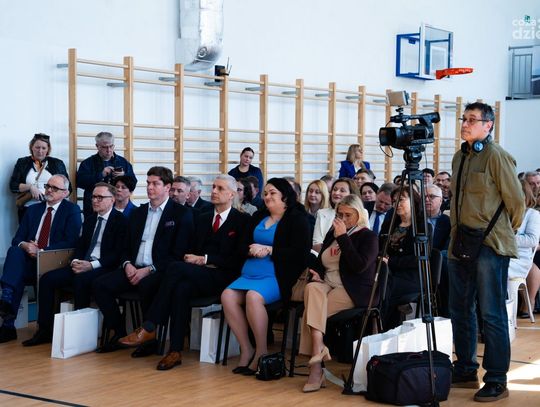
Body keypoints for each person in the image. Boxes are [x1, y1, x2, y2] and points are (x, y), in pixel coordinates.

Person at [118, 175, 250, 369]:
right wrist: (194, 259)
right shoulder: (203, 217)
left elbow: (238, 259)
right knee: (180, 289)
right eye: (213, 187)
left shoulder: (242, 220)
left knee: (174, 268)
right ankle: (175, 351)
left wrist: (205, 259)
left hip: (224, 276)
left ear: (231, 194)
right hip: (198, 273)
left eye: (220, 188)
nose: (214, 191)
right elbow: (191, 248)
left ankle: (150, 325)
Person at [448, 102, 524, 402]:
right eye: (464, 119)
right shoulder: (459, 157)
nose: (465, 124)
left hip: (490, 245)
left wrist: (501, 232)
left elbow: (516, 203)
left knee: (491, 314)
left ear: (488, 125)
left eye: (472, 120)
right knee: (459, 309)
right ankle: (466, 368)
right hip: (460, 243)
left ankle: (496, 379)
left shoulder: (497, 156)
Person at [92, 166, 194, 352]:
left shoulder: (180, 214)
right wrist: (127, 264)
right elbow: (125, 247)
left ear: (167, 187)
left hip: (160, 270)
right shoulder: (137, 213)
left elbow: (178, 254)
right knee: (100, 285)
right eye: (148, 183)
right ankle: (119, 333)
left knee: (147, 284)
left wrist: (149, 270)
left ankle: (149, 340)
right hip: (134, 268)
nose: (149, 187)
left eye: (155, 184)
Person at [221, 178, 311, 375]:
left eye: (272, 193)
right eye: (266, 193)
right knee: (227, 295)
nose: (267, 196)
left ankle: (261, 352)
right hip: (250, 272)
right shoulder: (258, 216)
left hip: (277, 275)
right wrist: (251, 250)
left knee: (253, 296)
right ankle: (246, 348)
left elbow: (300, 254)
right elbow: (241, 245)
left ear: (284, 196)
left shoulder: (298, 219)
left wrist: (270, 250)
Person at [23, 183, 128, 346]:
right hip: (83, 263)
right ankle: (44, 330)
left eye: (100, 197)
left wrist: (91, 265)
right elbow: (80, 246)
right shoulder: (90, 220)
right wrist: (75, 261)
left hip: (104, 266)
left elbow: (117, 254)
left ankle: (81, 333)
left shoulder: (121, 221)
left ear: (112, 199)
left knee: (81, 280)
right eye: (93, 197)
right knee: (47, 279)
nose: (95, 200)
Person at [300, 195, 378, 392]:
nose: (342, 219)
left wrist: (343, 237)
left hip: (353, 289)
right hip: (327, 283)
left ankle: (316, 369)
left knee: (312, 314)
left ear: (359, 215)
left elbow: (359, 266)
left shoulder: (368, 236)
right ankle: (319, 351)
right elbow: (322, 259)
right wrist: (317, 273)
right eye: (339, 214)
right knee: (311, 288)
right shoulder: (332, 232)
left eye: (348, 215)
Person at [0, 175, 82, 343]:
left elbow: (71, 242)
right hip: (30, 260)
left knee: (16, 273)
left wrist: (41, 251)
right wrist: (25, 245)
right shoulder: (33, 210)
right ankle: (7, 310)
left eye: (54, 188)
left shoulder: (71, 210)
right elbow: (17, 239)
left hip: (53, 261)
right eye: (47, 186)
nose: (49, 190)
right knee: (15, 252)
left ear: (65, 193)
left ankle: (7, 314)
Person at [380, 186, 430, 329]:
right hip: (388, 273)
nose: (396, 204)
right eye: (394, 201)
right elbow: (380, 247)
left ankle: (383, 329)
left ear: (413, 201)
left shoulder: (422, 227)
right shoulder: (390, 224)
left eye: (401, 200)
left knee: (384, 288)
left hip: (412, 276)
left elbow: (418, 258)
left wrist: (390, 261)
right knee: (375, 284)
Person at [9, 133, 70, 222]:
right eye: (37, 147)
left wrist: (51, 195)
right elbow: (13, 186)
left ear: (48, 149)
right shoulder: (22, 162)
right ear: (32, 147)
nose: (40, 151)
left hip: (51, 209)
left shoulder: (57, 163)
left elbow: (68, 189)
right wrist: (30, 187)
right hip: (28, 209)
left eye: (43, 148)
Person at [77, 132, 137, 218]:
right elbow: (80, 182)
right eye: (104, 147)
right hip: (94, 207)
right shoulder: (87, 163)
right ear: (97, 146)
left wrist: (124, 176)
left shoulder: (123, 162)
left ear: (114, 146)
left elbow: (133, 183)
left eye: (111, 146)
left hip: (118, 206)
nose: (109, 150)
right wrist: (101, 175)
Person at [507, 180, 540, 320]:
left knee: (492, 267)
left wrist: (505, 237)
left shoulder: (532, 214)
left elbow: (532, 240)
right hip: (501, 253)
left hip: (519, 258)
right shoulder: (503, 212)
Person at [312, 178, 359, 252]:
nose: (336, 193)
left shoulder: (361, 212)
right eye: (334, 189)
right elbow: (316, 244)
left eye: (342, 191)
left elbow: (363, 242)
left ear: (352, 194)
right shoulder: (322, 213)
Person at [425, 184, 451, 251]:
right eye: (424, 196)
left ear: (440, 200)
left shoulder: (447, 222)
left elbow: (447, 248)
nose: (426, 199)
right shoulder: (415, 219)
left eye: (431, 196)